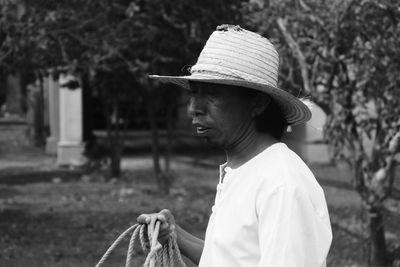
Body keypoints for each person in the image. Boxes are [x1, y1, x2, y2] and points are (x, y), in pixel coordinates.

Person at [137, 24, 332, 267]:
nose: (193, 108)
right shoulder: (246, 170)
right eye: (193, 93)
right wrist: (177, 236)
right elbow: (229, 259)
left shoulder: (282, 184)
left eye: (212, 94)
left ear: (257, 103)